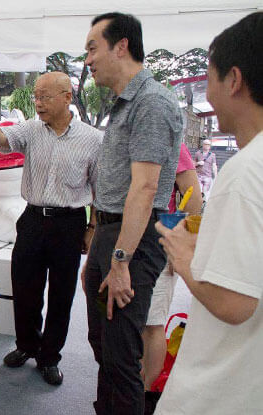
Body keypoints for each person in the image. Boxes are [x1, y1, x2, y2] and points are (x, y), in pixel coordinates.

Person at [154, 12, 263, 414]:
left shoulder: (246, 171)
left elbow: (234, 303)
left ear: (233, 80)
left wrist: (183, 255)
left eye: (210, 77)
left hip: (224, 389)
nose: (209, 96)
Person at [0, 71, 102, 385]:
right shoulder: (31, 129)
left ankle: (49, 356)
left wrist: (92, 227)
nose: (38, 102)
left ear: (67, 97)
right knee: (25, 288)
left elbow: (99, 187)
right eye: (36, 96)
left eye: (45, 96)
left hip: (70, 223)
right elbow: (1, 141)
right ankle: (26, 345)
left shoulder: (94, 139)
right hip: (31, 219)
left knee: (61, 294)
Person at [81, 12, 182, 414]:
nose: (87, 60)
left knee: (122, 356)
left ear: (121, 46)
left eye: (92, 48)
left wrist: (120, 261)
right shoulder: (123, 104)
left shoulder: (152, 102)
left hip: (132, 240)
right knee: (104, 346)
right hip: (111, 233)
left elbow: (145, 188)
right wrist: (98, 249)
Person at [140, 142, 201, 408]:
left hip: (158, 241)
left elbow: (193, 196)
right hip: (122, 239)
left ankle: (147, 395)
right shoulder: (124, 136)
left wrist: (182, 242)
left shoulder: (172, 143)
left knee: (152, 323)